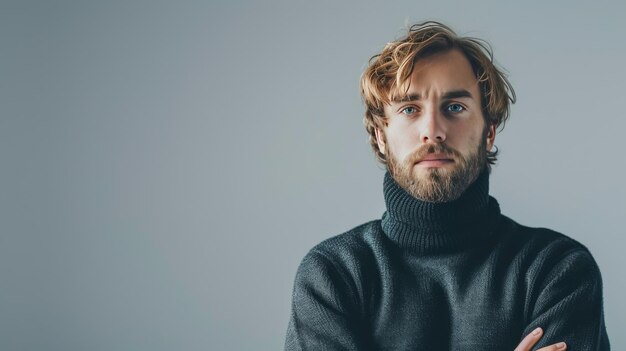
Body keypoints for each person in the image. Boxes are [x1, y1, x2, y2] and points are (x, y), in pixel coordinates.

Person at [284, 22, 610, 351]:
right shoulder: (334, 275)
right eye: (410, 109)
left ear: (489, 132)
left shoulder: (555, 270)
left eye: (455, 108)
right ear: (381, 136)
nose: (434, 131)